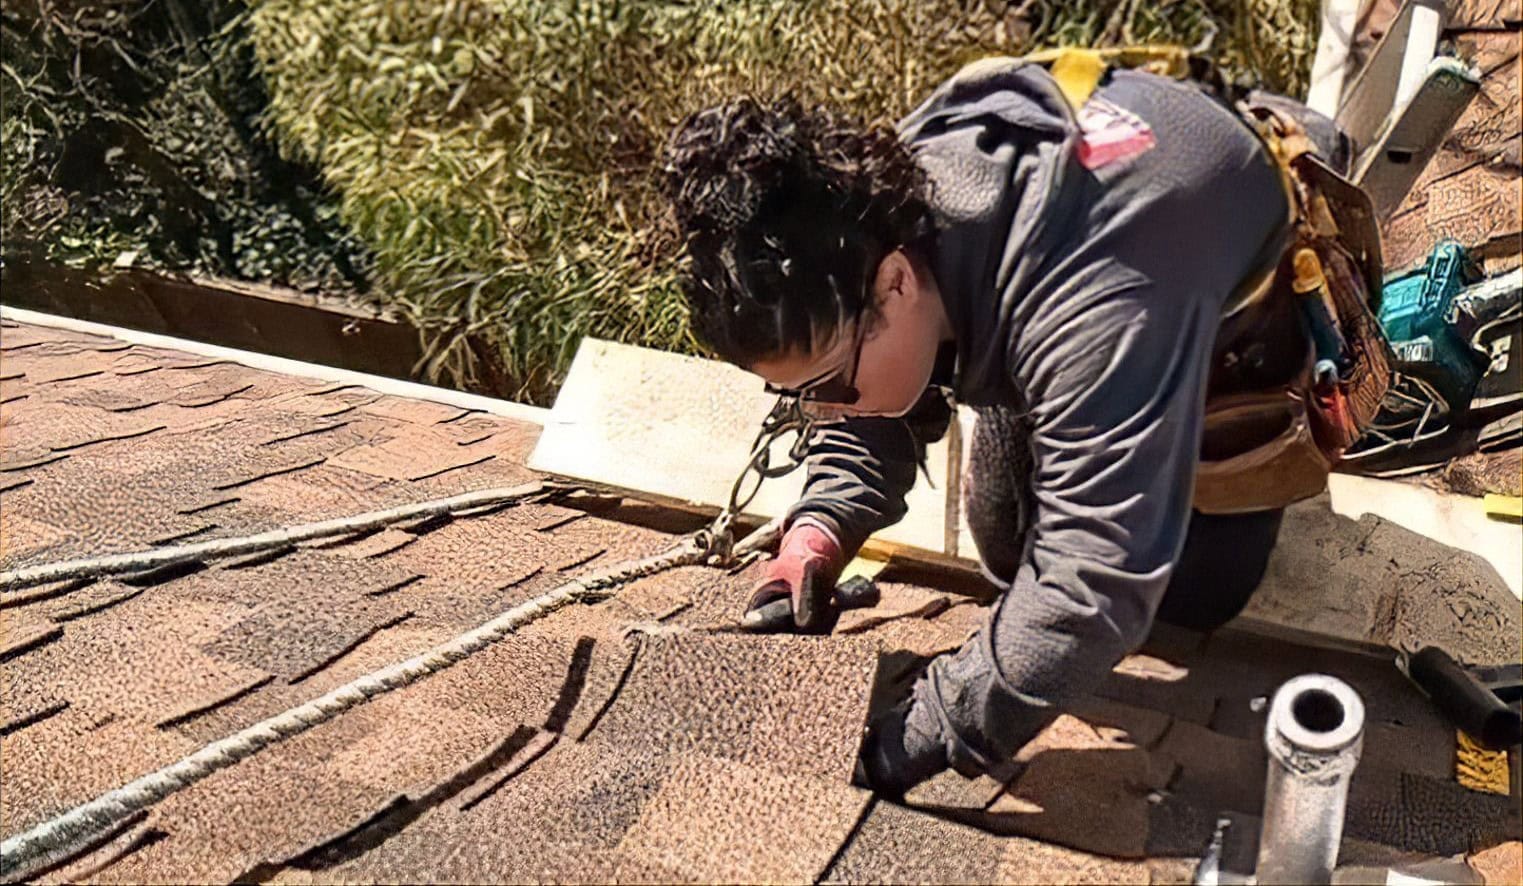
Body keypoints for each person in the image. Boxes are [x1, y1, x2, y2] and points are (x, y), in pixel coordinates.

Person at [662, 57, 1352, 797]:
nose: (824, 410)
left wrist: (914, 739)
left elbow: (1094, 579)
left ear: (896, 281)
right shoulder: (862, 215)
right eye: (798, 396)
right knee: (1003, 539)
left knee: (1192, 597)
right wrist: (819, 527)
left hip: (1228, 321)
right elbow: (865, 381)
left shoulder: (1095, 293)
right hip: (1095, 263)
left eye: (827, 387)